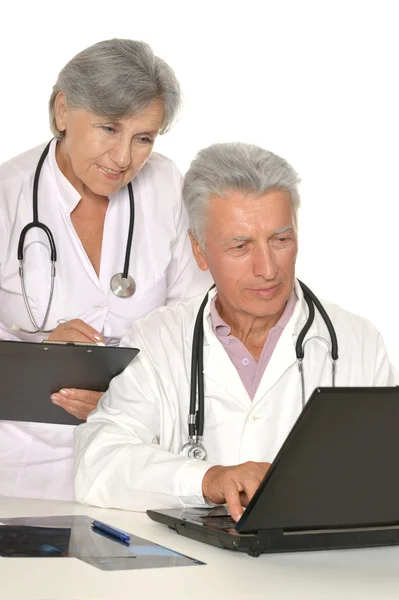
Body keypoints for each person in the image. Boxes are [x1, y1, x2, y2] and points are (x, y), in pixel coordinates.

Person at [74, 142, 397, 520]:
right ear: (199, 250)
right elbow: (97, 464)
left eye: (281, 240)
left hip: (317, 571)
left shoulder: (357, 343)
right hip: (193, 574)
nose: (267, 268)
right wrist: (207, 479)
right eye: (241, 246)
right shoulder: (158, 340)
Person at [0, 39, 210, 500]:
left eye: (143, 138)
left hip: (133, 451)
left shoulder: (165, 185)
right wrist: (40, 353)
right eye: (108, 128)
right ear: (62, 111)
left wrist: (121, 397)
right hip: (20, 460)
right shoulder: (6, 195)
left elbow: (193, 324)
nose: (123, 158)